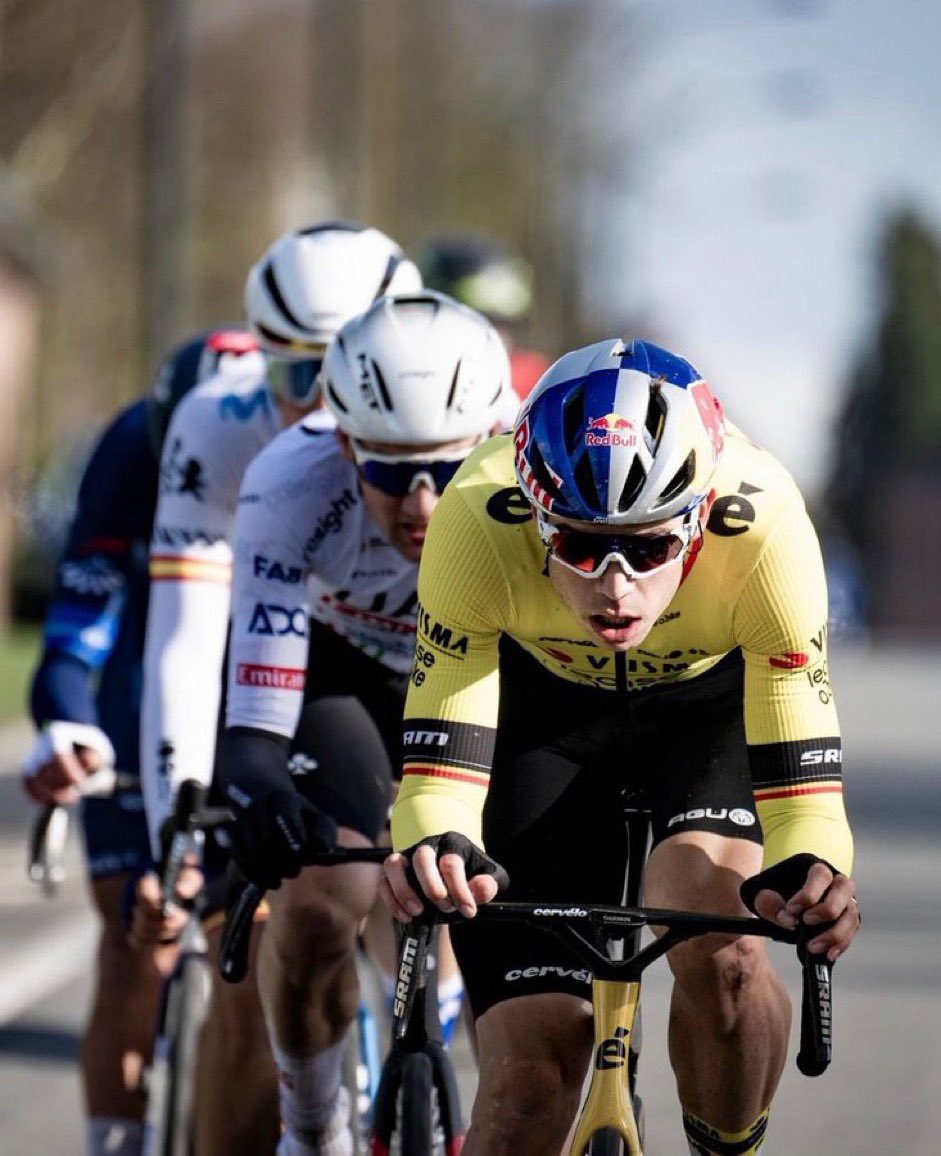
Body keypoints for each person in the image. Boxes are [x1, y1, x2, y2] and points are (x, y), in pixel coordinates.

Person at [380, 338, 862, 1156]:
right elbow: (439, 766)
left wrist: (813, 872)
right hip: (543, 722)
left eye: (646, 549)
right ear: (533, 518)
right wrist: (430, 837)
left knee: (728, 951)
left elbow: (804, 784)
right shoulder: (474, 510)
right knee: (528, 1087)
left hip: (702, 718)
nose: (614, 585)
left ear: (697, 523)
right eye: (576, 545)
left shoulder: (767, 525)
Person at [133, 221, 422, 1155]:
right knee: (276, 928)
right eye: (290, 374)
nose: (316, 404)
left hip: (431, 659)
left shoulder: (454, 423)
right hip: (305, 655)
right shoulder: (220, 428)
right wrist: (175, 816)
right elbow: (187, 642)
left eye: (336, 371)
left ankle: (439, 1021)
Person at [219, 289, 512, 1156]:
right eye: (388, 471)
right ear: (343, 443)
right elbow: (254, 722)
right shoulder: (286, 483)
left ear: (492, 445)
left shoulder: (537, 478)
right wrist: (261, 790)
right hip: (342, 674)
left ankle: (446, 1016)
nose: (420, 504)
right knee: (316, 902)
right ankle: (312, 1133)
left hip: (490, 675)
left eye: (445, 471)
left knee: (484, 882)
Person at [21, 327, 264, 1156]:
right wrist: (69, 726)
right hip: (144, 686)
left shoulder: (302, 452)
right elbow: (77, 626)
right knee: (136, 944)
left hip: (266, 680)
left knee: (269, 954)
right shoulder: (129, 448)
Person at [416, 231, 552, 400]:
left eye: (502, 325)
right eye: (483, 323)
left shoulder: (535, 379)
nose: (499, 338)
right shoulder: (415, 375)